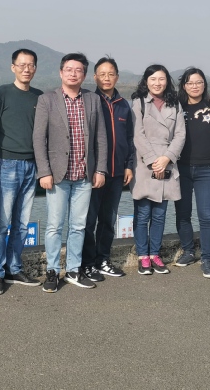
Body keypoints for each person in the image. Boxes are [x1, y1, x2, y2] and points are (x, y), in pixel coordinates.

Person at [33, 53, 107, 293]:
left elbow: (101, 137)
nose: (73, 73)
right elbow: (39, 138)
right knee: (54, 226)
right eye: (69, 69)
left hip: (84, 175)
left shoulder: (93, 99)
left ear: (84, 75)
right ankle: (53, 271)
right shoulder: (47, 99)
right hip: (57, 175)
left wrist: (100, 169)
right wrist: (44, 171)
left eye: (78, 70)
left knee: (78, 226)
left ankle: (74, 269)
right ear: (60, 72)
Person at [0, 49, 43, 295]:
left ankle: (14, 268)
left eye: (30, 65)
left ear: (35, 68)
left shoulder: (40, 97)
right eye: (21, 65)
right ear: (13, 67)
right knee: (2, 223)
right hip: (6, 163)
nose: (26, 69)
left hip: (31, 165)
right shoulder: (2, 93)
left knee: (21, 224)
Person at [81, 56, 134, 282]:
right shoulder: (90, 101)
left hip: (117, 173)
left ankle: (103, 260)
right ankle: (87, 263)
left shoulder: (123, 104)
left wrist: (129, 165)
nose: (106, 78)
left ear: (117, 77)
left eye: (110, 74)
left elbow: (130, 139)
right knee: (88, 220)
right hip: (94, 173)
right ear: (94, 77)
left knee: (108, 220)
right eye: (102, 74)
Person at [130, 64, 185, 276]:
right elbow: (137, 135)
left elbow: (180, 134)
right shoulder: (139, 103)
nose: (157, 83)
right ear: (146, 81)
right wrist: (154, 161)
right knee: (143, 214)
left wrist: (167, 158)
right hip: (145, 164)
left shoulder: (175, 104)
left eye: (161, 79)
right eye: (153, 79)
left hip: (168, 163)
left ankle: (155, 254)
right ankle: (142, 255)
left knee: (160, 215)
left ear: (167, 81)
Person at [173, 68, 210, 279]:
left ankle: (206, 258)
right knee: (183, 214)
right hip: (181, 169)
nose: (194, 86)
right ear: (184, 86)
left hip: (207, 169)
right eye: (190, 82)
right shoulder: (177, 107)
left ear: (204, 85)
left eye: (198, 82)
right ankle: (188, 251)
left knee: (206, 216)